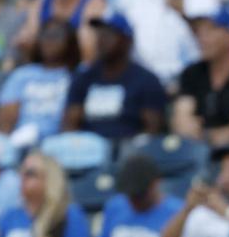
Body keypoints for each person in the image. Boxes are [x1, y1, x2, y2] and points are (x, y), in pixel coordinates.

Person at [62, 11, 167, 140]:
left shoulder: (146, 80)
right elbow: (69, 124)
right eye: (98, 34)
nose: (101, 39)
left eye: (108, 34)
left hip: (128, 150)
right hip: (87, 149)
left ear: (126, 40)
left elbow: (152, 132)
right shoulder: (84, 78)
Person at [172, 6, 229, 150]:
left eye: (210, 30)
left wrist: (203, 134)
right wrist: (189, 127)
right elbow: (181, 120)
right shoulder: (192, 73)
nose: (202, 38)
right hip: (193, 152)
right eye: (199, 31)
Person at [0, 19, 80, 143]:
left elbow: (75, 119)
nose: (49, 41)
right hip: (20, 140)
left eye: (56, 35)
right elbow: (5, 121)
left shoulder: (78, 76)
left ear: (70, 41)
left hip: (60, 142)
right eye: (45, 35)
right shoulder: (22, 74)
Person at [98, 153, 184, 237]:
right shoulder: (115, 206)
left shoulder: (178, 212)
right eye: (130, 195)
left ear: (156, 183)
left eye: (140, 195)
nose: (134, 200)